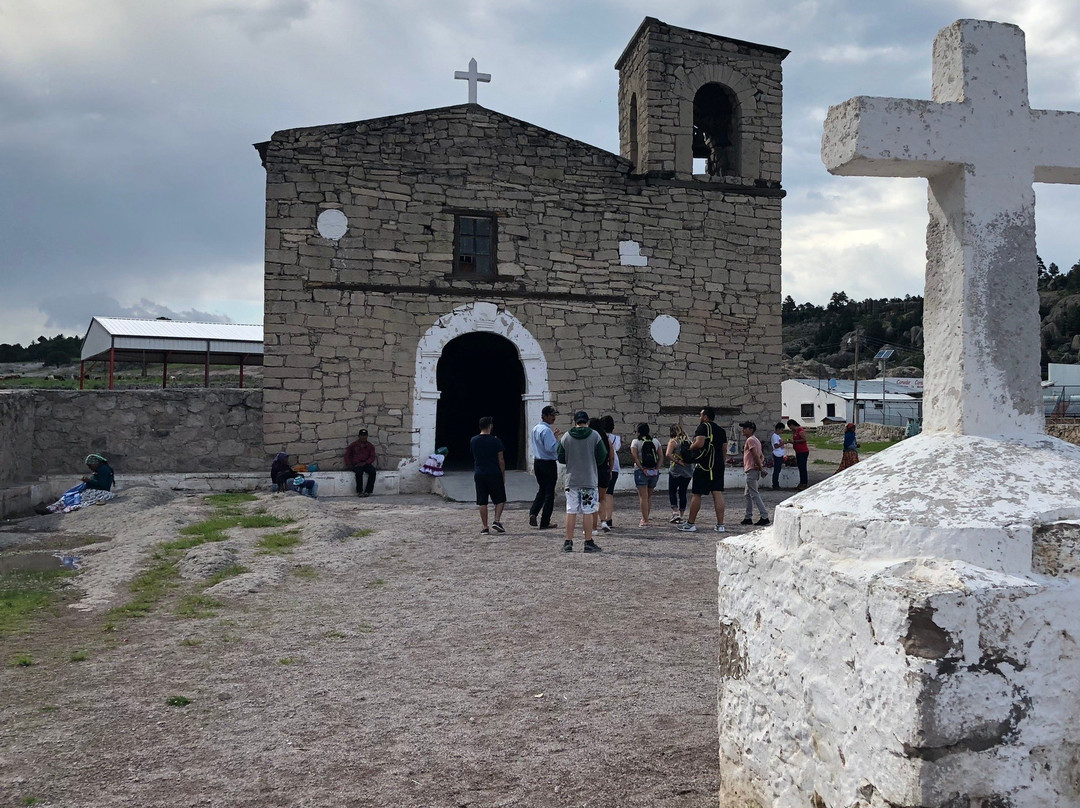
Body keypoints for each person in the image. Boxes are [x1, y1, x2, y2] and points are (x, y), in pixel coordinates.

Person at [556, 410, 607, 553]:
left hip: (572, 480)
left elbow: (560, 457)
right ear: (588, 422)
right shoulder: (594, 436)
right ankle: (588, 542)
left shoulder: (566, 437)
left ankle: (568, 542)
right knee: (588, 511)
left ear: (575, 422)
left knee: (571, 510)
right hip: (589, 479)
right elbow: (602, 456)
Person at [678, 406, 726, 533]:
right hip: (718, 465)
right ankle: (720, 525)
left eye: (700, 415)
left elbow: (699, 443)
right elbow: (724, 449)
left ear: (705, 417)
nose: (700, 418)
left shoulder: (703, 427)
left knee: (697, 494)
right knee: (717, 493)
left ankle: (691, 523)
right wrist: (721, 463)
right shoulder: (721, 431)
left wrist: (689, 449)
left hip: (704, 465)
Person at [36, 454, 117, 514]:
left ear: (95, 463)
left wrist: (89, 480)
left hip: (97, 492)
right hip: (92, 490)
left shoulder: (104, 470)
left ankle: (51, 510)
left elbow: (103, 485)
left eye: (90, 466)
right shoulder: (101, 469)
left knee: (72, 499)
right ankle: (50, 509)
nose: (90, 468)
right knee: (68, 497)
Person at [470, 416, 506, 535]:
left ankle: (485, 527)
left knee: (482, 501)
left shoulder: (473, 440)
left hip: (479, 473)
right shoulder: (496, 441)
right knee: (500, 499)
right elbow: (500, 459)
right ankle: (496, 520)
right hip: (494, 472)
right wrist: (503, 473)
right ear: (490, 426)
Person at [528, 405, 560, 529]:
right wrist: (557, 442)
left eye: (554, 415)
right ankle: (545, 520)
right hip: (548, 463)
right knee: (549, 493)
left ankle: (533, 512)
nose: (553, 418)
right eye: (551, 415)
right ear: (544, 416)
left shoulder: (536, 428)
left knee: (542, 489)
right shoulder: (546, 431)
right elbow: (550, 448)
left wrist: (553, 437)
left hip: (538, 462)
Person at [630, 423, 662, 527]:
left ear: (638, 432)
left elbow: (635, 457)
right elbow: (661, 457)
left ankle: (645, 520)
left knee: (643, 497)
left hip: (641, 471)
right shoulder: (655, 441)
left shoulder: (635, 442)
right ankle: (645, 517)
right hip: (653, 471)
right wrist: (657, 469)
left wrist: (642, 469)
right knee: (648, 496)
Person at [739, 421, 769, 526]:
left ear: (751, 430)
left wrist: (761, 469)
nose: (743, 430)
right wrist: (760, 466)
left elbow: (756, 455)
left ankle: (764, 516)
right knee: (747, 494)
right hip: (753, 469)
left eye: (745, 428)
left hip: (752, 469)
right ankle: (748, 517)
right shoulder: (756, 440)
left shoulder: (750, 440)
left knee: (754, 494)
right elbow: (761, 455)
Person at [589, 417, 612, 535]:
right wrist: (610, 470)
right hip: (604, 471)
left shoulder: (590, 439)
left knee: (592, 500)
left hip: (592, 472)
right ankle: (603, 521)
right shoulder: (605, 438)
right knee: (602, 498)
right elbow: (611, 456)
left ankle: (593, 528)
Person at [666, 424, 693, 523]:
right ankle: (681, 514)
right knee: (683, 493)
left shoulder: (673, 442)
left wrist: (677, 461)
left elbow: (668, 454)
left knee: (672, 491)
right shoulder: (688, 442)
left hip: (675, 470)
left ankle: (675, 512)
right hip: (687, 471)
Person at [600, 415, 620, 531]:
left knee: (601, 495)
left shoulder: (599, 437)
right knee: (610, 493)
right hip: (615, 467)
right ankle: (609, 518)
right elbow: (616, 449)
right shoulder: (616, 438)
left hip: (603, 466)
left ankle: (601, 518)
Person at [344, 429, 378, 497]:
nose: (363, 437)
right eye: (362, 435)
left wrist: (365, 463)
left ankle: (368, 491)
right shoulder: (353, 445)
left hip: (366, 464)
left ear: (367, 436)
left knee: (372, 472)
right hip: (356, 464)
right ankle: (359, 491)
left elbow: (372, 457)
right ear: (359, 436)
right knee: (359, 473)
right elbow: (347, 455)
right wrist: (349, 464)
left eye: (365, 436)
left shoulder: (370, 446)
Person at [788, 418, 810, 490]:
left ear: (792, 425)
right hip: (798, 451)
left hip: (803, 451)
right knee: (800, 467)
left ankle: (804, 483)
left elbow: (804, 439)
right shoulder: (795, 431)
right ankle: (801, 482)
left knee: (803, 467)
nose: (790, 428)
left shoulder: (800, 430)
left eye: (790, 427)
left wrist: (795, 441)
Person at [770, 422, 787, 490]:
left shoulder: (778, 436)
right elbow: (776, 446)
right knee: (776, 470)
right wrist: (783, 443)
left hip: (780, 454)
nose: (782, 431)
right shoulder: (774, 436)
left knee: (778, 469)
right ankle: (775, 484)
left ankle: (776, 483)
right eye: (781, 430)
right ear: (778, 429)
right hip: (777, 454)